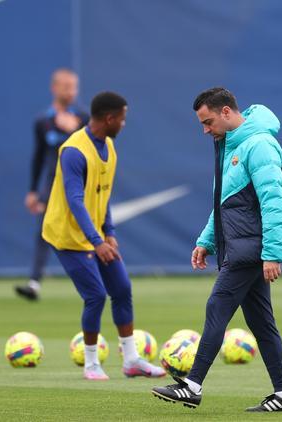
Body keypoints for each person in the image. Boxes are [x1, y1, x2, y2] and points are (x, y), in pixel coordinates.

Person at [151, 87, 282, 412]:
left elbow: (274, 201)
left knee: (216, 307)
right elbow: (224, 204)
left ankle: (192, 385)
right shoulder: (230, 144)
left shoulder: (258, 145)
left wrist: (274, 253)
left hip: (250, 250)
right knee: (261, 324)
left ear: (227, 112)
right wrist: (205, 241)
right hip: (242, 247)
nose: (205, 130)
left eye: (208, 122)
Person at [42, 91, 165, 380]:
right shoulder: (74, 151)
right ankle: (91, 364)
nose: (124, 124)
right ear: (109, 118)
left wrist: (108, 233)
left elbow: (103, 195)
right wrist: (96, 242)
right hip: (68, 236)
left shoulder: (109, 146)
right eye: (122, 119)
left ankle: (131, 360)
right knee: (96, 295)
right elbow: (75, 200)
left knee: (121, 289)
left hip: (96, 235)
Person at [16, 68, 88, 301]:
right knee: (43, 232)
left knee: (87, 233)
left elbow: (91, 150)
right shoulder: (43, 121)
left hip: (79, 186)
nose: (71, 92)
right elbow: (38, 157)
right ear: (54, 88)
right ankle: (34, 283)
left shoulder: (84, 119)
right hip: (51, 187)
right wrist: (32, 190)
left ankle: (94, 281)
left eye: (74, 87)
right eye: (66, 87)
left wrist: (74, 130)